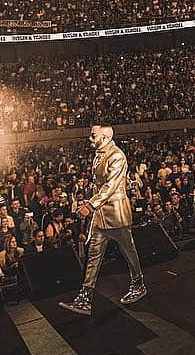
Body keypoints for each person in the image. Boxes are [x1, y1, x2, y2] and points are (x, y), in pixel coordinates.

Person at [59, 125, 146, 316]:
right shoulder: (99, 153)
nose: (89, 138)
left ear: (105, 137)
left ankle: (138, 283)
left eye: (93, 135)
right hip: (101, 217)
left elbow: (111, 186)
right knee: (93, 255)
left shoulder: (117, 156)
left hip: (116, 215)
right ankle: (85, 297)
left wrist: (90, 205)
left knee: (129, 252)